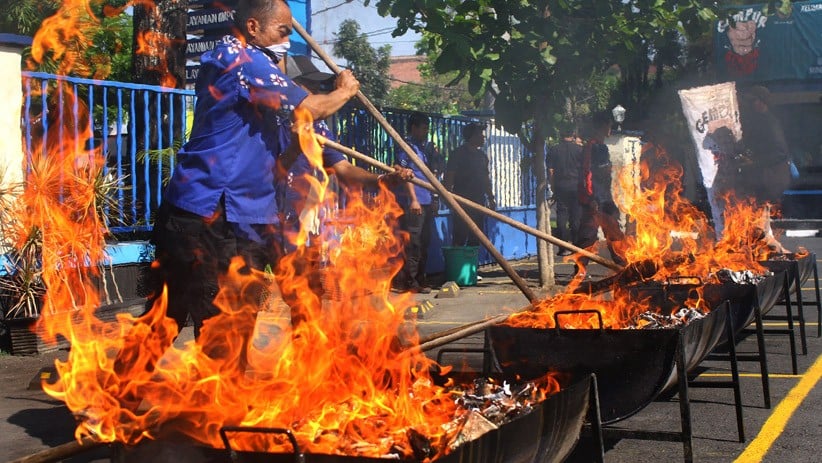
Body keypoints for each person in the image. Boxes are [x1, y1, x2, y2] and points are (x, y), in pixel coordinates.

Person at [145, 0, 361, 340]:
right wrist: (345, 91)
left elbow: (274, 168)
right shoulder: (242, 61)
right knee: (221, 325)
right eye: (282, 31)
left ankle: (119, 393)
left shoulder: (258, 84)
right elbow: (312, 109)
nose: (287, 41)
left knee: (186, 320)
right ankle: (215, 393)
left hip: (230, 217)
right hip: (209, 215)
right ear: (253, 28)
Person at [574, 112, 626, 275]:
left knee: (614, 233)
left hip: (604, 198)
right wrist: (591, 198)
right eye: (608, 126)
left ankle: (623, 265)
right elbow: (587, 173)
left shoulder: (600, 147)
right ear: (601, 127)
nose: (610, 129)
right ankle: (580, 270)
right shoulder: (593, 146)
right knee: (588, 235)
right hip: (596, 199)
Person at [392, 112, 436, 294]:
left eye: (427, 128)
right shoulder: (406, 147)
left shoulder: (423, 149)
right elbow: (402, 171)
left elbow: (430, 175)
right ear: (414, 128)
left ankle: (420, 279)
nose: (426, 131)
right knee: (413, 244)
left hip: (426, 200)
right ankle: (409, 282)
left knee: (425, 242)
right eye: (423, 127)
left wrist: (434, 199)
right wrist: (414, 200)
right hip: (414, 203)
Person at [737, 85, 792, 207]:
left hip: (772, 182)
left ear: (762, 102)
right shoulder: (758, 121)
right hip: (764, 180)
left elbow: (780, 153)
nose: (749, 105)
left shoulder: (770, 123)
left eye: (752, 101)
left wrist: (754, 162)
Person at [444, 122, 496, 247]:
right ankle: (457, 265)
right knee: (460, 237)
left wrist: (491, 197)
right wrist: (447, 197)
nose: (483, 137)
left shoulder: (482, 157)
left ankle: (471, 266)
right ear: (472, 136)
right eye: (480, 135)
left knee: (476, 238)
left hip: (478, 203)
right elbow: (449, 176)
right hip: (461, 202)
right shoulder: (457, 154)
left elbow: (485, 179)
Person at [547, 128, 583, 256]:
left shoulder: (554, 150)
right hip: (576, 186)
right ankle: (576, 245)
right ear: (573, 134)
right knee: (576, 217)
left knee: (561, 215)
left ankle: (563, 246)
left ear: (560, 135)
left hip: (561, 186)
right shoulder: (579, 150)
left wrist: (553, 186)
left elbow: (551, 171)